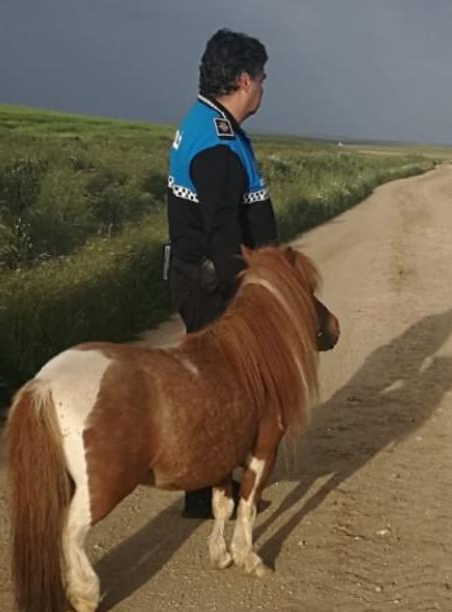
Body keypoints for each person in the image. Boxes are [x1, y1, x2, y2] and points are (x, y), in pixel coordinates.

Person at [166, 28, 277, 517]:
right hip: (211, 284)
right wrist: (255, 291)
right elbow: (222, 232)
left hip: (201, 278)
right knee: (217, 387)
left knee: (212, 384)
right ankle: (205, 491)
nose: (264, 88)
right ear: (244, 80)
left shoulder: (210, 123)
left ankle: (209, 486)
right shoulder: (216, 142)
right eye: (263, 78)